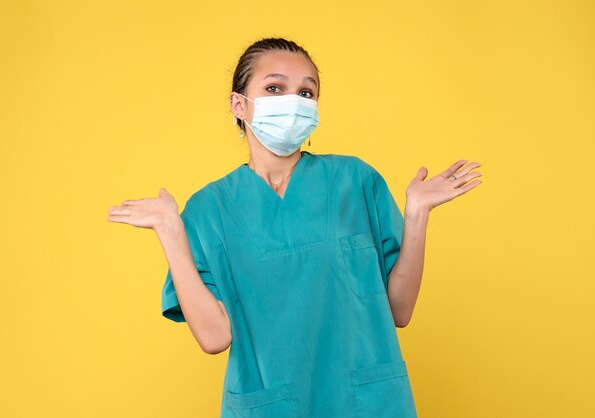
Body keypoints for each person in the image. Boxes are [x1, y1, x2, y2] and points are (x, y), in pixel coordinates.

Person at [107, 37, 482, 418]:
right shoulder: (208, 210)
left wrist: (417, 212)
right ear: (239, 104)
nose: (294, 101)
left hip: (367, 404)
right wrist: (169, 230)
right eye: (274, 88)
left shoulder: (355, 180)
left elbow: (399, 311)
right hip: (270, 406)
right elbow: (214, 337)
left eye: (307, 91)